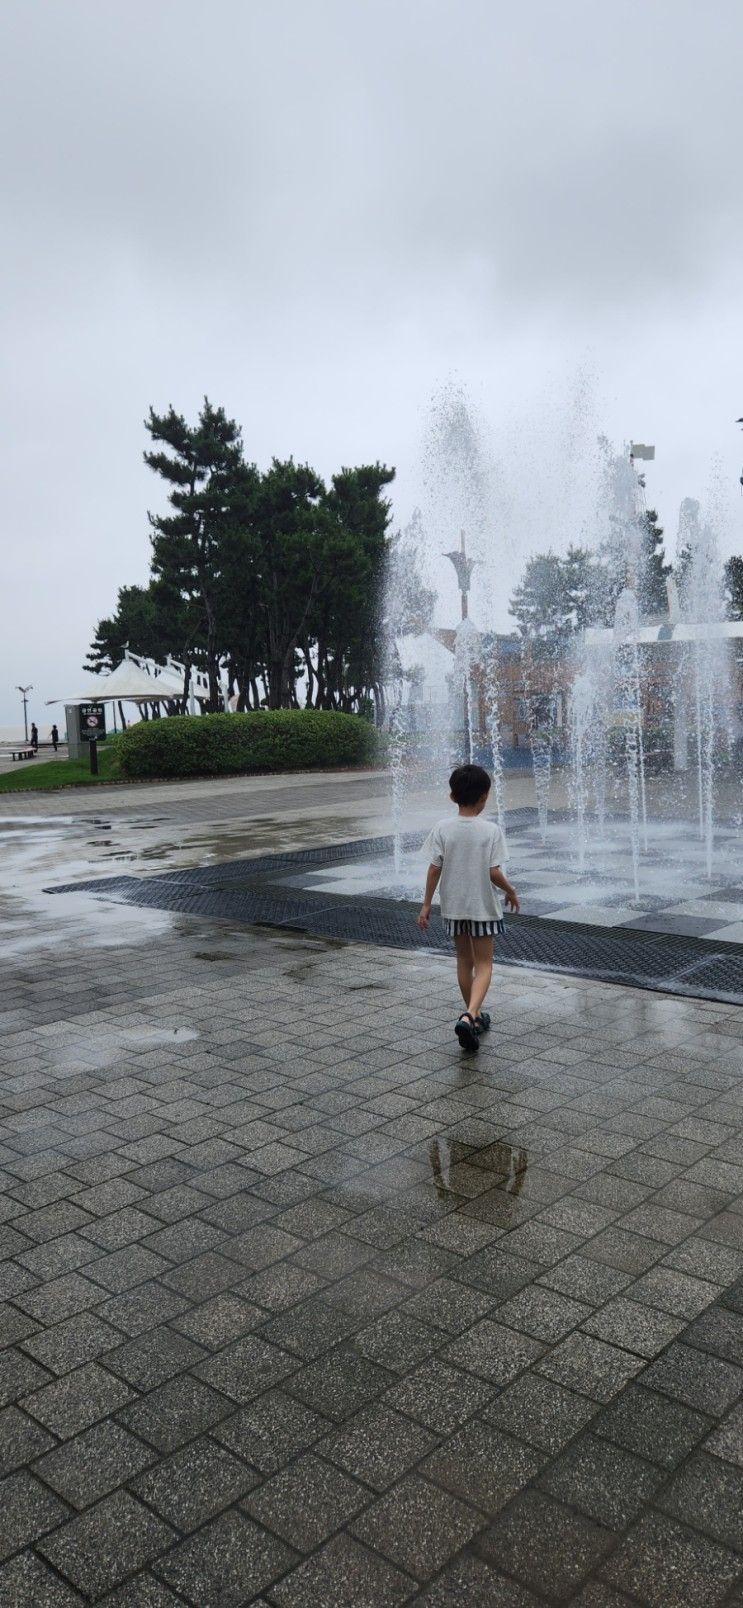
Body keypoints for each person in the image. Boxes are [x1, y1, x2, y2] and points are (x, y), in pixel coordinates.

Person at [417, 763, 520, 1052]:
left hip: (453, 906)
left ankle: (473, 1018)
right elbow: (493, 872)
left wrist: (426, 905)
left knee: (464, 961)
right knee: (485, 964)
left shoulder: (442, 828)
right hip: (482, 908)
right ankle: (470, 1014)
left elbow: (433, 870)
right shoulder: (490, 830)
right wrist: (511, 891)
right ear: (485, 796)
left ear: (452, 796)